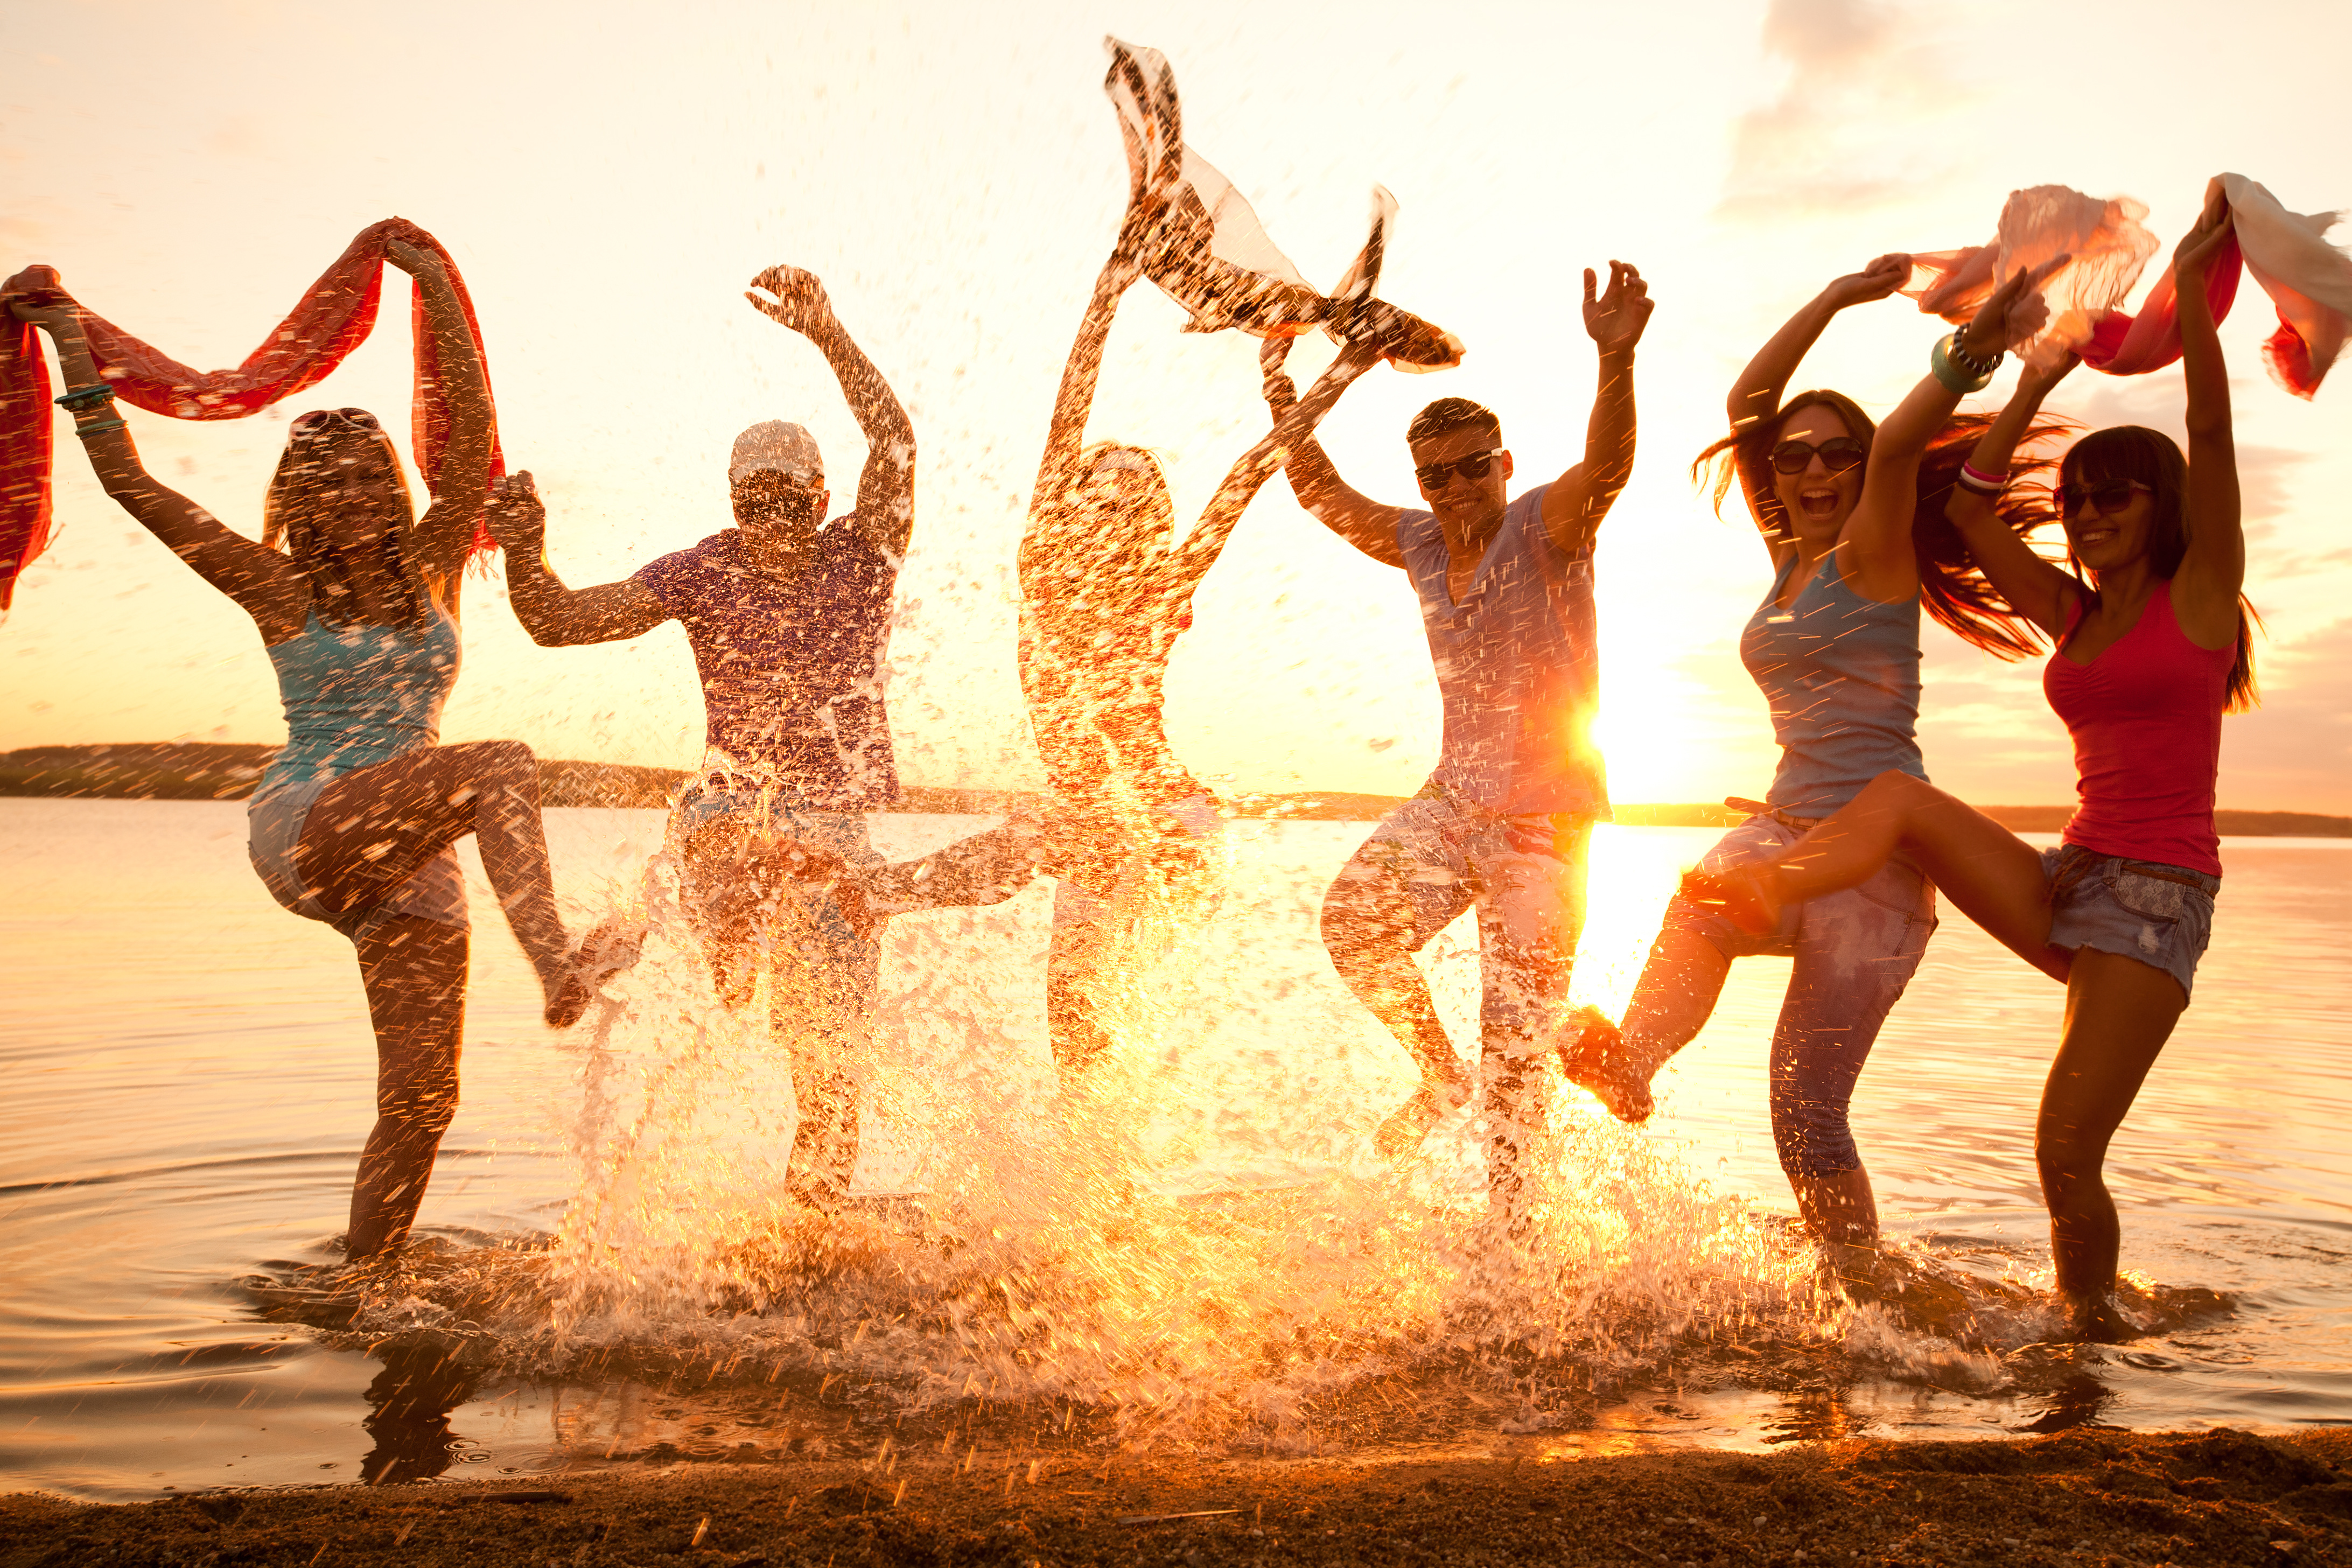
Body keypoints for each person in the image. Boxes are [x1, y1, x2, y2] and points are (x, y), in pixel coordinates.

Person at [1679, 195, 2255, 1340]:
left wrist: (2189, 302)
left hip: (2156, 906)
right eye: (2079, 498)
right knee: (1900, 800)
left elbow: (2213, 436)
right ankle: (1770, 883)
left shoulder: (2198, 603)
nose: (2086, 514)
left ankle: (2091, 1327)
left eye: (2113, 495)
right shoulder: (2074, 615)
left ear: (2163, 507)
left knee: (2063, 1154)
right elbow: (1978, 510)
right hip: (2074, 876)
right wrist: (2032, 382)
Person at [6, 245, 624, 1263]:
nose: (350, 499)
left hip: (412, 847)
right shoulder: (274, 586)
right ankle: (558, 959)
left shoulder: (435, 564)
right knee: (503, 762)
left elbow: (468, 440)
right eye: (324, 485)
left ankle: (364, 1283)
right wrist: (70, 337)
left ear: (390, 488)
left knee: (425, 1101)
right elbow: (128, 483)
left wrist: (432, 286)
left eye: (367, 481)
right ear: (298, 498)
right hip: (312, 822)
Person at [836, 194, 1401, 1091]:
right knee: (1077, 1028)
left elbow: (1250, 473)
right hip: (1097, 829)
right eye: (1101, 483)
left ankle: (874, 897)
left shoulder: (1162, 582)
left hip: (1167, 821)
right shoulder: (1042, 562)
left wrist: (1341, 374)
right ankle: (1105, 1198)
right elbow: (1069, 414)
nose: (1114, 497)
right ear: (1074, 500)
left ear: (1152, 518)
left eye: (1136, 492)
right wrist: (1109, 290)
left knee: (1046, 837)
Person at [1557, 256, 2066, 1245]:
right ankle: (1631, 1068)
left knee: (1805, 1114)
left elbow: (1902, 447)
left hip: (1877, 860)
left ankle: (1861, 1293)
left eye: (1837, 454)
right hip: (1786, 831)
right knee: (1701, 903)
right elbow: (1751, 402)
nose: (1816, 471)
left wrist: (1971, 355)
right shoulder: (1789, 557)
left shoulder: (1875, 548)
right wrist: (1837, 296)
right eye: (1796, 458)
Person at [485, 265, 914, 1213]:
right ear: (732, 500)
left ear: (818, 496)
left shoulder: (865, 551)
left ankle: (815, 1219)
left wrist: (831, 334)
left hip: (834, 832)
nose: (767, 516)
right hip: (732, 807)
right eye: (751, 498)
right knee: (722, 842)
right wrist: (522, 547)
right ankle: (663, 947)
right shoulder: (702, 570)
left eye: (785, 497)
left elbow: (894, 439)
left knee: (830, 1069)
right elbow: (556, 621)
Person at [1258, 260, 1653, 1207]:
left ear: (1504, 464)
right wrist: (1279, 388)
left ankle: (1512, 1254)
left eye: (1474, 465)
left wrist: (1617, 358)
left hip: (1543, 821)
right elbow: (1319, 493)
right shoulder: (1421, 543)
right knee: (1353, 925)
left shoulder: (1546, 526)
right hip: (1451, 803)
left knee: (1512, 1057)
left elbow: (1607, 470)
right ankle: (1440, 1075)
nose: (1456, 486)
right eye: (1436, 475)